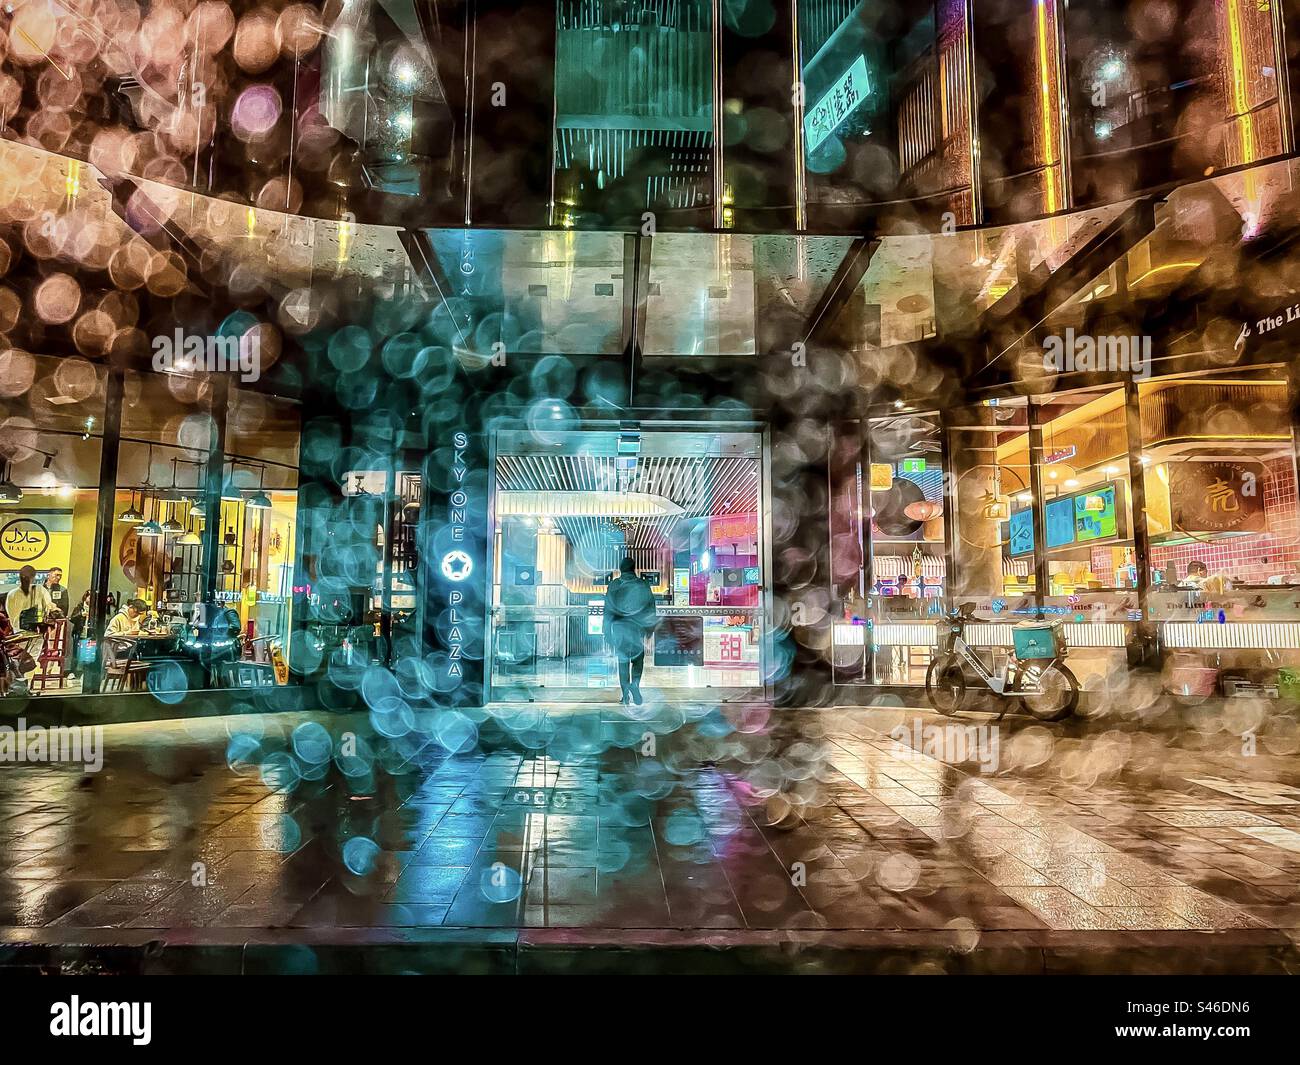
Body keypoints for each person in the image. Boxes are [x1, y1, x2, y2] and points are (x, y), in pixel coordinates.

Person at [606, 557, 656, 706]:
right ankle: (635, 684)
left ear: (621, 569)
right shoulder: (643, 584)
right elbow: (650, 607)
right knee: (637, 660)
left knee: (623, 662)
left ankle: (625, 696)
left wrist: (606, 631)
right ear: (634, 569)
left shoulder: (614, 585)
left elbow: (608, 609)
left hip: (619, 630)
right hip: (637, 629)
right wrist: (650, 629)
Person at [5, 565, 57, 629]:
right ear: (33, 578)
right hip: (34, 630)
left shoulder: (12, 594)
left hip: (19, 631)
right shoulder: (39, 590)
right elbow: (49, 606)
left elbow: (11, 615)